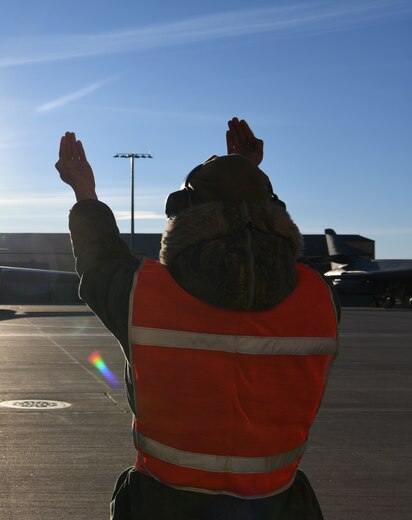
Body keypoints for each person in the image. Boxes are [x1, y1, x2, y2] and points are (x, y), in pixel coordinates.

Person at [56, 118, 340, 519]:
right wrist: (247, 175)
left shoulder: (145, 295)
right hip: (278, 507)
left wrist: (85, 194)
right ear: (275, 220)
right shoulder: (319, 300)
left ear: (184, 222)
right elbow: (284, 253)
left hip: (165, 505)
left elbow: (99, 261)